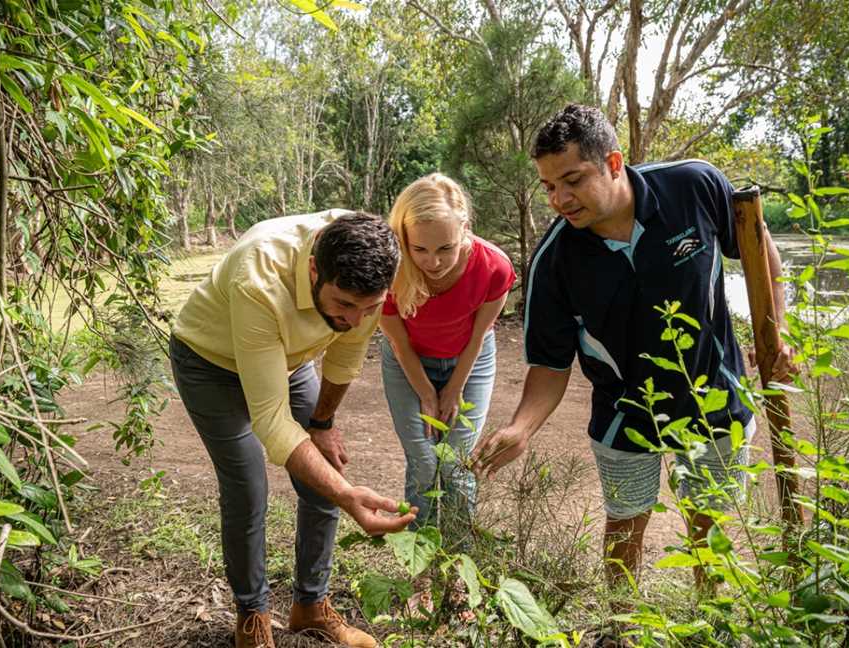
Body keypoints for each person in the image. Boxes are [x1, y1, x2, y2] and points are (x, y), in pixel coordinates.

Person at [471, 104, 793, 644]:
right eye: (549, 186)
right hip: (626, 410)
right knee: (625, 524)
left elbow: (763, 257)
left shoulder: (695, 186)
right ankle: (619, 627)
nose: (559, 199)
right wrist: (521, 428)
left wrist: (774, 331)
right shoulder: (554, 260)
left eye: (572, 180)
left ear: (614, 163)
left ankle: (708, 622)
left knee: (709, 520)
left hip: (715, 394)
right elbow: (549, 366)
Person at [170, 210, 415, 648]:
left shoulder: (367, 263)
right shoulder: (259, 274)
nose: (356, 320)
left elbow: (345, 358)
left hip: (289, 358)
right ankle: (253, 616)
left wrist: (322, 424)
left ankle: (310, 606)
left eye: (370, 308)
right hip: (209, 362)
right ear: (314, 268)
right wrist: (346, 494)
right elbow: (272, 422)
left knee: (323, 473)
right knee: (247, 486)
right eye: (343, 304)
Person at [380, 174, 515, 531]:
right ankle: (420, 566)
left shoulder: (494, 268)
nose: (433, 262)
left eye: (445, 248)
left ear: (465, 229)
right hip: (408, 359)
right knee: (424, 461)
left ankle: (458, 562)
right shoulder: (388, 269)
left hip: (470, 357)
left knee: (455, 463)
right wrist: (426, 393)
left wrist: (454, 388)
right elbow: (398, 342)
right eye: (419, 249)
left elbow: (479, 336)